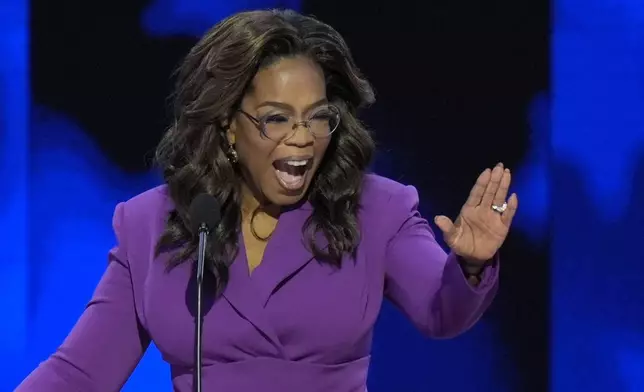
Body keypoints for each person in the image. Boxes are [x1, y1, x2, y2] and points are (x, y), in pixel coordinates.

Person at [16, 8, 518, 392]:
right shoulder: (153, 222)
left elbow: (442, 309)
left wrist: (470, 266)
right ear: (227, 127)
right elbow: (80, 372)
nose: (302, 138)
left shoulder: (375, 209)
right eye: (276, 118)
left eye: (318, 116)